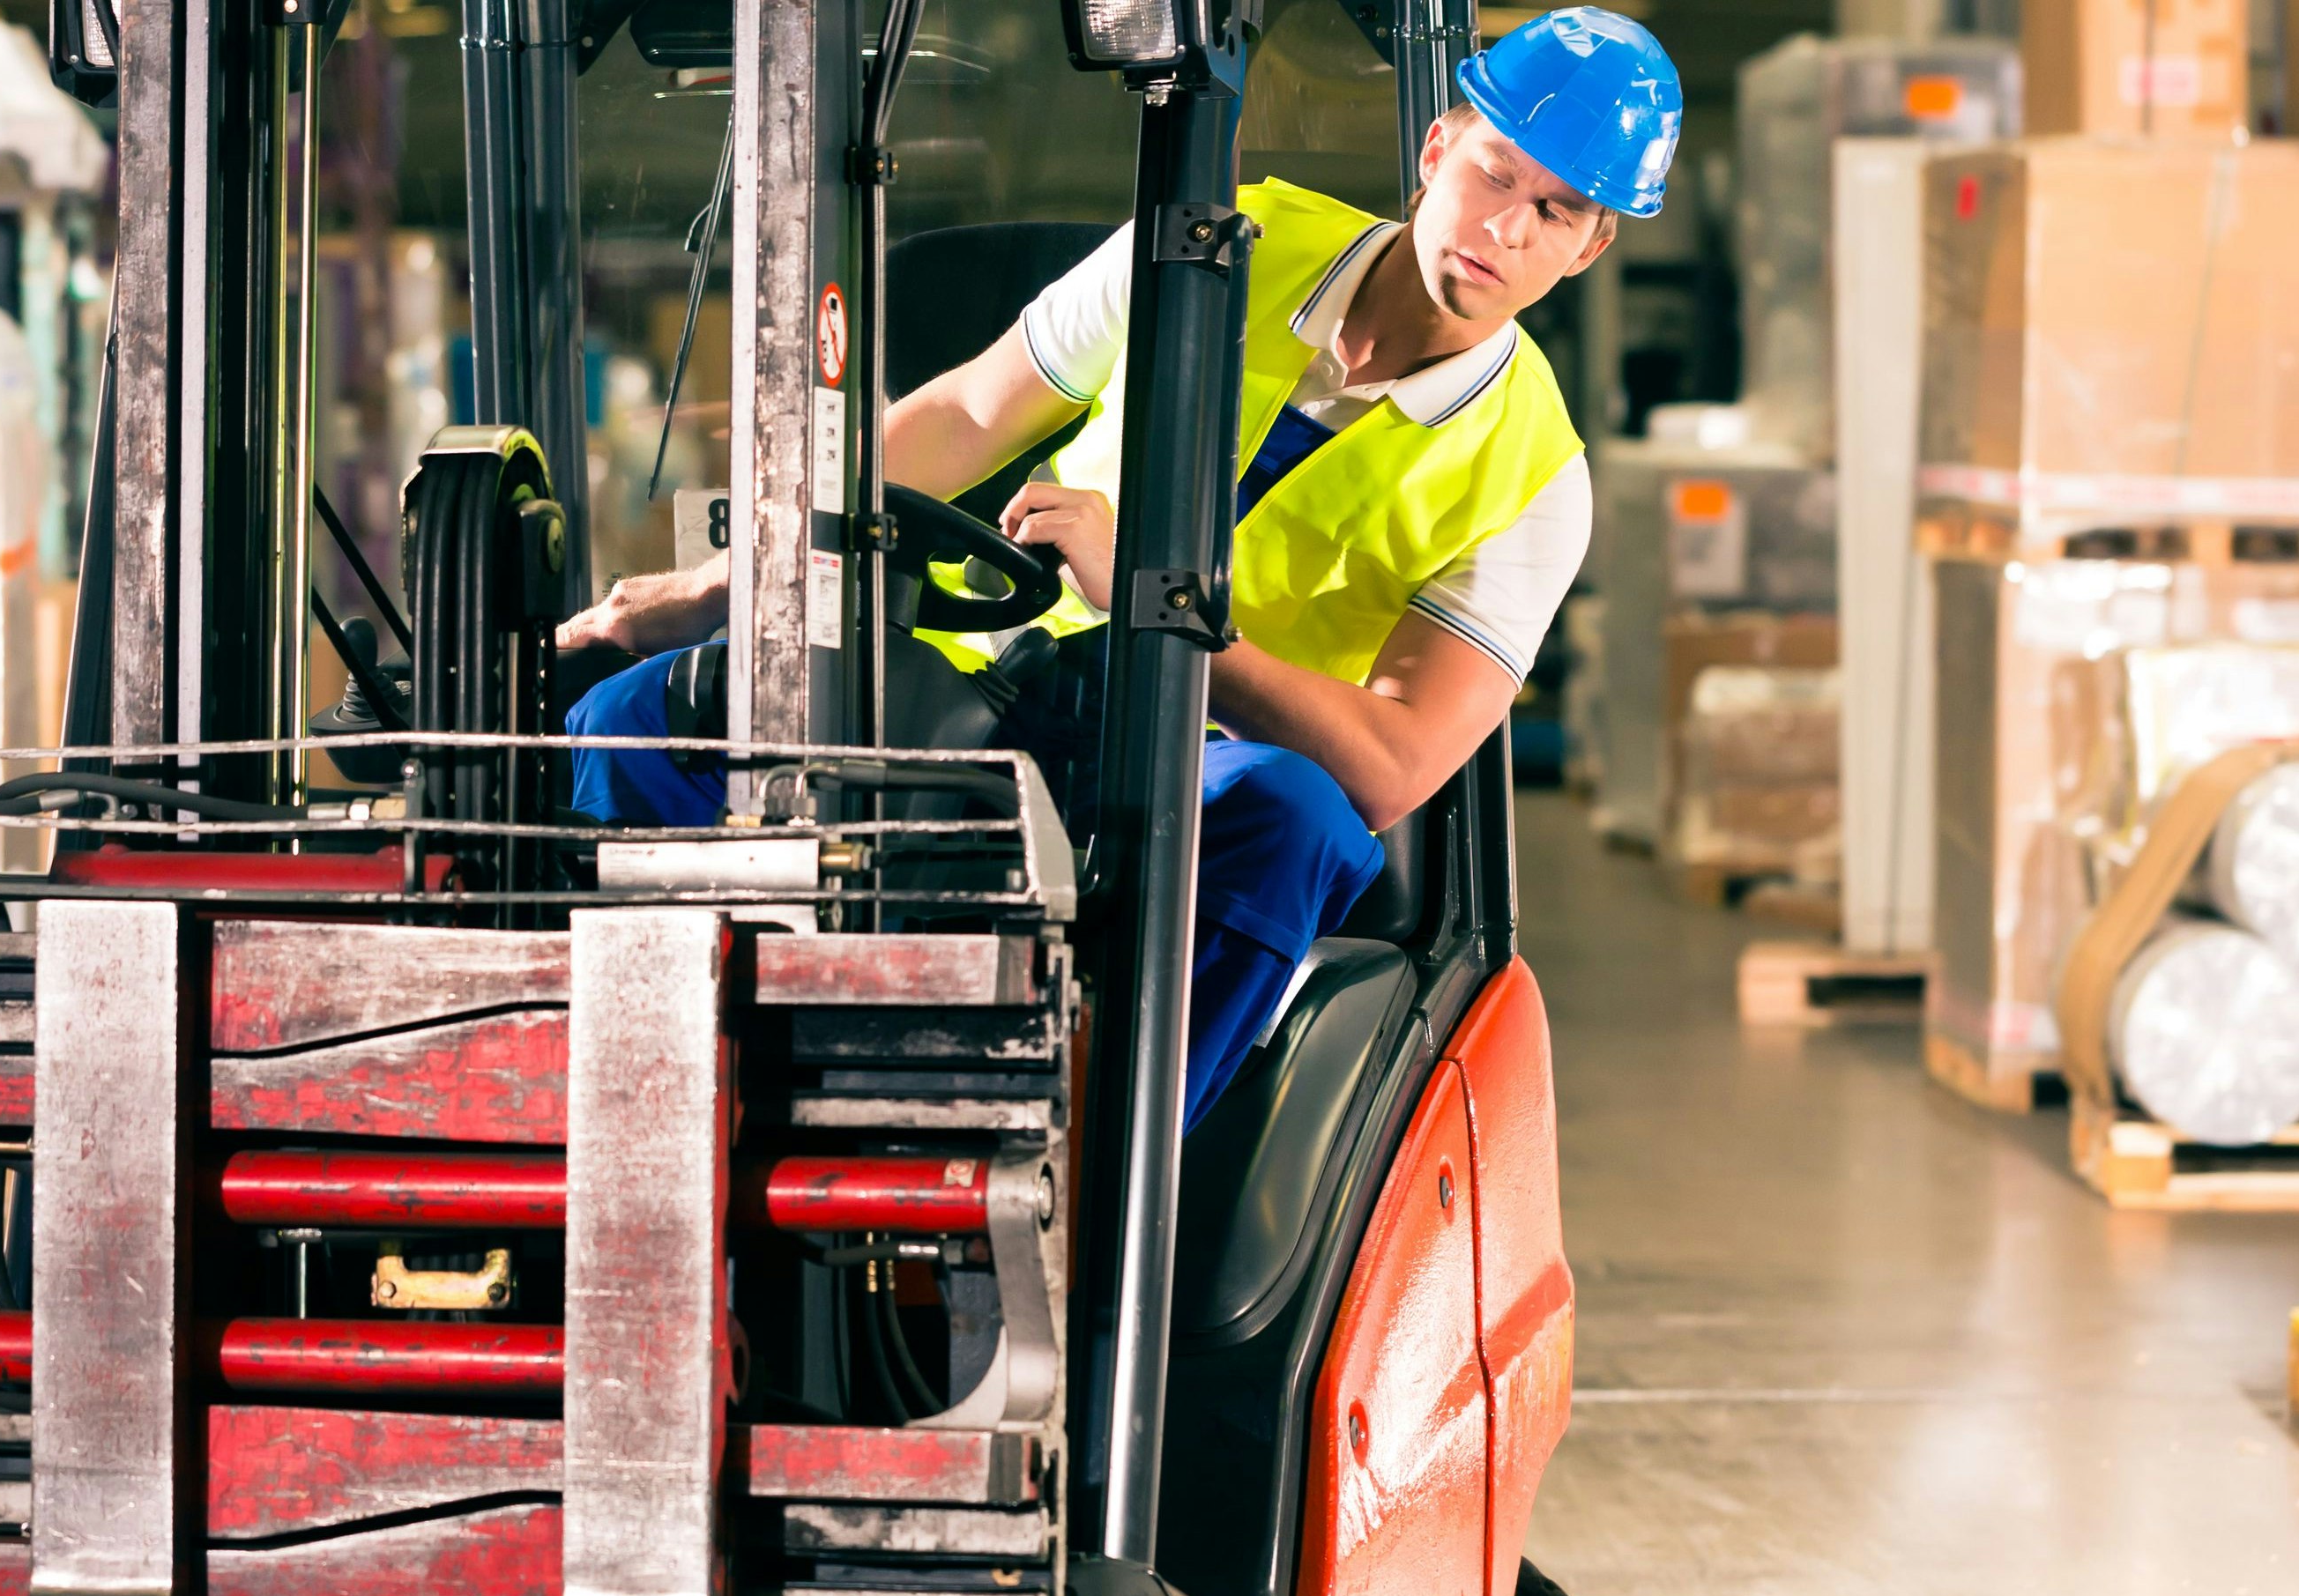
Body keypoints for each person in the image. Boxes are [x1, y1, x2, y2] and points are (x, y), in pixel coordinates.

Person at [560, 6, 1681, 1128]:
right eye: (1496, 175)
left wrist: (1161, 598)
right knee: (634, 721)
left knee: (1295, 823)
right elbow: (966, 413)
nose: (1510, 229)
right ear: (1438, 149)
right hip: (971, 680)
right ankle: (668, 1127)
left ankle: (1085, 1190)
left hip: (1187, 758)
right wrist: (730, 586)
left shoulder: (1535, 480)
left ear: (1591, 246)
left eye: (1558, 210)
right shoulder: (1219, 234)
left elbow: (1392, 763)